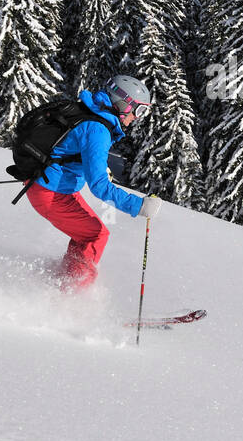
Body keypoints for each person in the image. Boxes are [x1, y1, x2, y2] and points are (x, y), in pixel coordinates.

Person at [26, 74, 162, 291]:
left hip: (50, 185)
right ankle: (71, 298)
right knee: (95, 235)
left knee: (86, 235)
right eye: (139, 110)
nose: (138, 117)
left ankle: (65, 283)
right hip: (50, 191)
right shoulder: (98, 130)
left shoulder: (92, 114)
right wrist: (139, 206)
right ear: (123, 103)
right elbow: (99, 186)